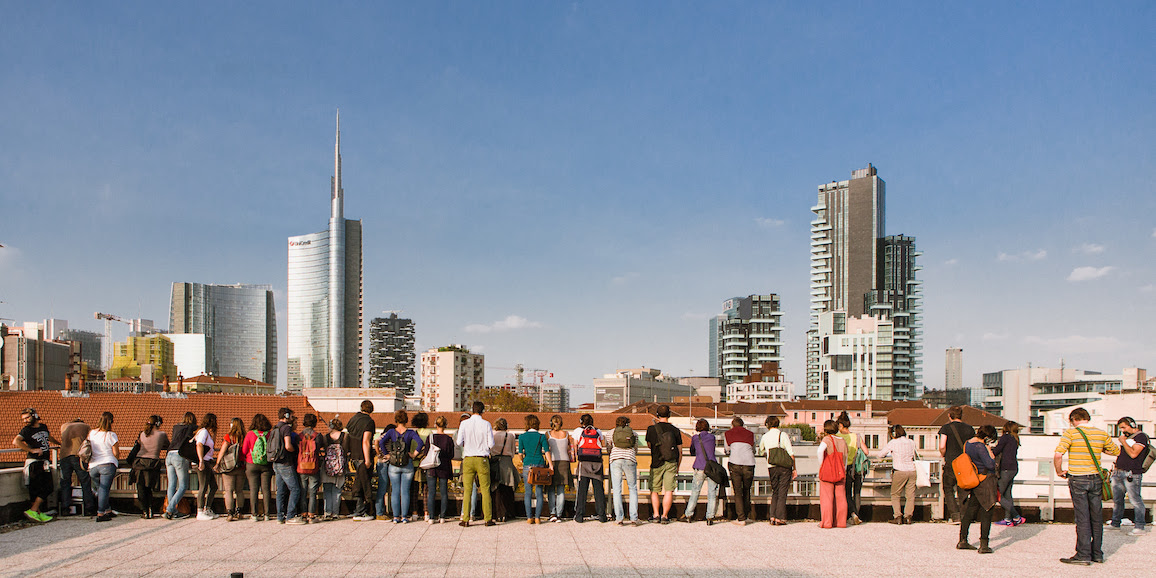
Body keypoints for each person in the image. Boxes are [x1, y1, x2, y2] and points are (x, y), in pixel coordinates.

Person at [1054, 407, 1120, 565]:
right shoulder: (1101, 433)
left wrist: (1058, 471)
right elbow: (1115, 450)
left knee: (1082, 518)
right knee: (1096, 517)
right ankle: (1097, 553)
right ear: (1087, 418)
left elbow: (1058, 454)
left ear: (1073, 420)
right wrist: (1099, 447)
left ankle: (1083, 554)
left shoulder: (1071, 433)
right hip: (1096, 479)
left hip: (1078, 478)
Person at [957, 425, 999, 554]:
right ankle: (984, 544)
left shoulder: (968, 443)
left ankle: (962, 540)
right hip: (985, 481)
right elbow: (990, 464)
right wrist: (990, 451)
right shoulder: (980, 447)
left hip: (974, 480)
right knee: (987, 510)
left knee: (971, 510)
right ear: (987, 437)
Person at [14, 408, 59, 522]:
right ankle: (33, 510)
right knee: (44, 488)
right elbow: (16, 441)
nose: (25, 421)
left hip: (44, 462)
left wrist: (59, 444)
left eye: (27, 417)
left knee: (45, 488)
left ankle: (38, 512)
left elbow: (48, 437)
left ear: (34, 416)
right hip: (34, 463)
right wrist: (31, 450)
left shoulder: (43, 427)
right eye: (23, 419)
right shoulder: (26, 430)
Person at [456, 401, 495, 527]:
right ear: (483, 411)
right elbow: (491, 444)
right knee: (485, 489)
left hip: (468, 458)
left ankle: (465, 519)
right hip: (482, 459)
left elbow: (458, 442)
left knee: (467, 490)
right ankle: (488, 518)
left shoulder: (464, 423)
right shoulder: (486, 424)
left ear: (472, 410)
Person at [381, 410, 423, 523]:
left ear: (396, 420)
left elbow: (381, 443)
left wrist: (387, 454)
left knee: (395, 490)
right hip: (407, 463)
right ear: (406, 420)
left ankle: (395, 517)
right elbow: (420, 443)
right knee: (405, 491)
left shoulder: (391, 432)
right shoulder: (410, 432)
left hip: (393, 464)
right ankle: (404, 516)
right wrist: (414, 454)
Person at [1111, 416, 1149, 536]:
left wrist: (1123, 442)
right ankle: (1115, 523)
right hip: (1119, 471)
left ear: (1131, 425)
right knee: (1117, 500)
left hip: (1132, 473)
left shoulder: (1141, 437)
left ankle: (1140, 525)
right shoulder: (1127, 437)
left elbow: (1134, 454)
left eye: (1124, 427)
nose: (1122, 430)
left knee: (1135, 499)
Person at [938, 406, 975, 523]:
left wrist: (943, 454)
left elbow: (942, 446)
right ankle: (964, 516)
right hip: (965, 463)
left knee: (948, 488)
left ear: (949, 415)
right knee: (963, 489)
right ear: (961, 415)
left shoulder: (946, 428)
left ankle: (955, 515)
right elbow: (972, 446)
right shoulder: (969, 429)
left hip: (951, 462)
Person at [645, 405, 681, 524]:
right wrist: (678, 466)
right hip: (671, 461)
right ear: (669, 415)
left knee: (654, 489)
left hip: (656, 461)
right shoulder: (675, 430)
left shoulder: (651, 429)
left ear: (657, 415)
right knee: (669, 490)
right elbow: (680, 451)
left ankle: (656, 514)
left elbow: (649, 445)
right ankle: (665, 516)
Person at [759, 416, 796, 526]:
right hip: (784, 467)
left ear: (767, 425)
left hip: (772, 466)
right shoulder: (783, 435)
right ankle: (780, 517)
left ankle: (772, 516)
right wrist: (794, 469)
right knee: (782, 492)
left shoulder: (765, 436)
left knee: (775, 491)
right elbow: (791, 453)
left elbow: (761, 451)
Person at [344, 400, 377, 521]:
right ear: (371, 409)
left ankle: (358, 510)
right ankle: (362, 512)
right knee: (364, 483)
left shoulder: (353, 419)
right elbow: (366, 441)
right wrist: (367, 459)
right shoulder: (369, 422)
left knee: (358, 482)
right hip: (363, 456)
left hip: (353, 455)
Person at [877, 424, 916, 525]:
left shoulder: (893, 443)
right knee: (910, 495)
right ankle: (908, 517)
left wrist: (891, 454)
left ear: (893, 434)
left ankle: (898, 516)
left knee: (895, 494)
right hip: (912, 470)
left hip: (899, 470)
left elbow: (880, 455)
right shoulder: (911, 442)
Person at [681, 419, 718, 524]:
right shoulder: (712, 437)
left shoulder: (695, 438)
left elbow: (692, 451)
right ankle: (710, 517)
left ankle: (688, 515)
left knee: (695, 491)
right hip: (712, 468)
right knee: (712, 493)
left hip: (699, 466)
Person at [571, 414, 607, 523]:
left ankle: (579, 515)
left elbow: (575, 445)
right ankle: (602, 515)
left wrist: (575, 457)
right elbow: (602, 443)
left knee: (582, 490)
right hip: (597, 462)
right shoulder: (598, 431)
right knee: (598, 489)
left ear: (581, 421)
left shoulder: (577, 431)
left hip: (584, 462)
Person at [133, 415, 169, 519]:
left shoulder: (142, 434)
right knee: (149, 487)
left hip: (140, 462)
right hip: (153, 462)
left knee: (141, 487)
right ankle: (150, 509)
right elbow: (167, 445)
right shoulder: (162, 434)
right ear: (158, 424)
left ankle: (145, 510)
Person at [272, 408, 304, 524]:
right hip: (285, 462)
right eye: (291, 416)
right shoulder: (286, 428)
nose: (292, 418)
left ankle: (280, 516)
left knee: (280, 491)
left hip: (276, 462)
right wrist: (295, 450)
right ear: (286, 415)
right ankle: (290, 515)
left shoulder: (275, 427)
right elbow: (288, 446)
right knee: (295, 489)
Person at [164, 412, 198, 520]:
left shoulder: (176, 427)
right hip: (179, 455)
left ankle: (172, 511)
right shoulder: (190, 428)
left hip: (169, 455)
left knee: (171, 485)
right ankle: (170, 509)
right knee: (183, 486)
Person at [59, 418, 95, 517]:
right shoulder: (85, 426)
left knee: (65, 482)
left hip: (63, 456)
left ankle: (65, 509)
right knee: (85, 481)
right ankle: (89, 508)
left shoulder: (64, 426)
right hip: (77, 456)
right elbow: (90, 440)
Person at [836, 411, 868, 525]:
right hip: (858, 468)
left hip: (846, 468)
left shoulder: (838, 437)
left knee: (847, 493)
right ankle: (857, 516)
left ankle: (852, 514)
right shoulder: (856, 436)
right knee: (857, 493)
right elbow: (866, 451)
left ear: (840, 425)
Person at [518, 414, 550, 524]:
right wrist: (550, 465)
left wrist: (524, 460)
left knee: (528, 492)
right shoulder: (542, 437)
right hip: (539, 465)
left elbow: (520, 454)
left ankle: (529, 517)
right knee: (539, 492)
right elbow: (546, 451)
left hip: (528, 465)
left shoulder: (522, 437)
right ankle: (537, 518)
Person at [609, 416, 640, 526]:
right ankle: (633, 518)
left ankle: (619, 518)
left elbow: (608, 447)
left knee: (617, 488)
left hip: (615, 459)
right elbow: (635, 448)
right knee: (632, 488)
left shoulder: (611, 432)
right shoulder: (634, 433)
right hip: (630, 459)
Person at [242, 413, 274, 521]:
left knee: (253, 490)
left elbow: (244, 450)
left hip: (252, 464)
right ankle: (267, 514)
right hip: (266, 465)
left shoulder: (250, 434)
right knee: (266, 490)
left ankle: (254, 514)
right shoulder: (269, 434)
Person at [724, 417, 756, 525]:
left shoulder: (728, 433)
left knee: (737, 491)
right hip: (749, 464)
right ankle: (746, 516)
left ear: (732, 425)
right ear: (743, 425)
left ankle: (741, 518)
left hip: (735, 463)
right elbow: (754, 449)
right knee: (747, 490)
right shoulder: (750, 434)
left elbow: (727, 449)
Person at [88, 411, 119, 522]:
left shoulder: (92, 433)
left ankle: (107, 510)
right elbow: (116, 453)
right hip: (107, 464)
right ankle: (101, 513)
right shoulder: (111, 435)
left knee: (100, 489)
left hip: (93, 466)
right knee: (104, 490)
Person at [993, 421, 1024, 526]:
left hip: (1005, 468)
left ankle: (1016, 516)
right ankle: (1008, 519)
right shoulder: (1015, 439)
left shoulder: (1005, 437)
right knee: (1007, 494)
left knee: (997, 495)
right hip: (1013, 468)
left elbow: (996, 450)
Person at [817, 420, 847, 529]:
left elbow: (820, 451)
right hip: (840, 471)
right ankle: (841, 522)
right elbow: (845, 457)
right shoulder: (842, 440)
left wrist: (822, 465)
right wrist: (843, 469)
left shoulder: (827, 439)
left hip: (828, 472)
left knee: (827, 498)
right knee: (841, 498)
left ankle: (827, 522)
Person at [425, 416, 455, 523]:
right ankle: (442, 516)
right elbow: (451, 454)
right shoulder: (448, 439)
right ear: (446, 425)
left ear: (435, 425)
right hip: (444, 467)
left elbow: (426, 453)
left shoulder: (430, 437)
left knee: (431, 492)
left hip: (432, 467)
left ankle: (431, 517)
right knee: (444, 492)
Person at [217, 417, 247, 521]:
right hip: (241, 466)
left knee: (228, 490)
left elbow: (222, 451)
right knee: (239, 490)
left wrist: (217, 463)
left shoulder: (228, 437)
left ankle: (230, 513)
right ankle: (239, 512)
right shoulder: (244, 437)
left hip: (229, 467)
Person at [546, 415, 574, 523]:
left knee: (551, 488)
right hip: (565, 462)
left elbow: (547, 448)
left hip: (552, 461)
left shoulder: (548, 434)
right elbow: (568, 448)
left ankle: (552, 512)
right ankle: (559, 514)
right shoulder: (566, 434)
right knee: (561, 489)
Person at [491, 418, 519, 522]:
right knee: (508, 488)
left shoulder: (493, 435)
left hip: (494, 462)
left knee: (495, 488)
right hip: (507, 462)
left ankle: (496, 512)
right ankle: (508, 512)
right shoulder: (510, 436)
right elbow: (513, 451)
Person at [319, 417, 347, 521]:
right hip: (340, 467)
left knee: (327, 490)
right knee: (337, 490)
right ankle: (335, 513)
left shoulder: (326, 437)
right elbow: (346, 450)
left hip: (328, 467)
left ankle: (327, 512)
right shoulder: (344, 436)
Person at [297, 413, 321, 523]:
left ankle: (303, 514)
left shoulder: (299, 436)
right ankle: (311, 514)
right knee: (312, 492)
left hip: (301, 467)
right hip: (313, 466)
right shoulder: (317, 435)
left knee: (303, 491)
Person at [194, 413, 219, 520]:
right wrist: (201, 460)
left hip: (207, 461)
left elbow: (211, 444)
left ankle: (207, 508)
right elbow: (199, 444)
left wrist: (214, 433)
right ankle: (200, 511)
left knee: (213, 486)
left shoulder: (206, 432)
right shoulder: (203, 432)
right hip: (203, 461)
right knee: (203, 486)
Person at [411, 412, 432, 521]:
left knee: (414, 489)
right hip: (426, 464)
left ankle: (414, 512)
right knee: (426, 489)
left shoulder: (413, 433)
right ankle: (426, 512)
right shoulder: (430, 433)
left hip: (414, 464)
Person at [375, 423, 397, 520]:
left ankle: (383, 511)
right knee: (383, 487)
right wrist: (381, 453)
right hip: (384, 462)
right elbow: (377, 441)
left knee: (385, 487)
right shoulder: (386, 435)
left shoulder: (383, 434)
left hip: (383, 462)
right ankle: (379, 512)